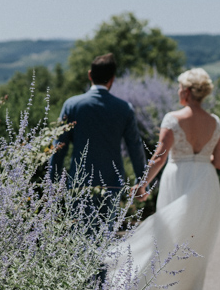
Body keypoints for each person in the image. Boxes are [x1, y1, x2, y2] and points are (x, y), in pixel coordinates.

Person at [109, 67, 220, 290]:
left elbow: (159, 156)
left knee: (167, 243)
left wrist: (142, 185)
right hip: (206, 185)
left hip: (178, 178)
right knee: (197, 248)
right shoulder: (215, 122)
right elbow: (218, 163)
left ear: (185, 91)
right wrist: (200, 158)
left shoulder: (173, 118)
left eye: (179, 87)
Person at [49, 53, 147, 226]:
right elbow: (135, 147)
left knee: (80, 239)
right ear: (112, 79)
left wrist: (53, 182)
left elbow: (59, 146)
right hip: (112, 183)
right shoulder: (124, 108)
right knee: (106, 240)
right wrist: (141, 181)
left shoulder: (72, 105)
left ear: (89, 75)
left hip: (80, 183)